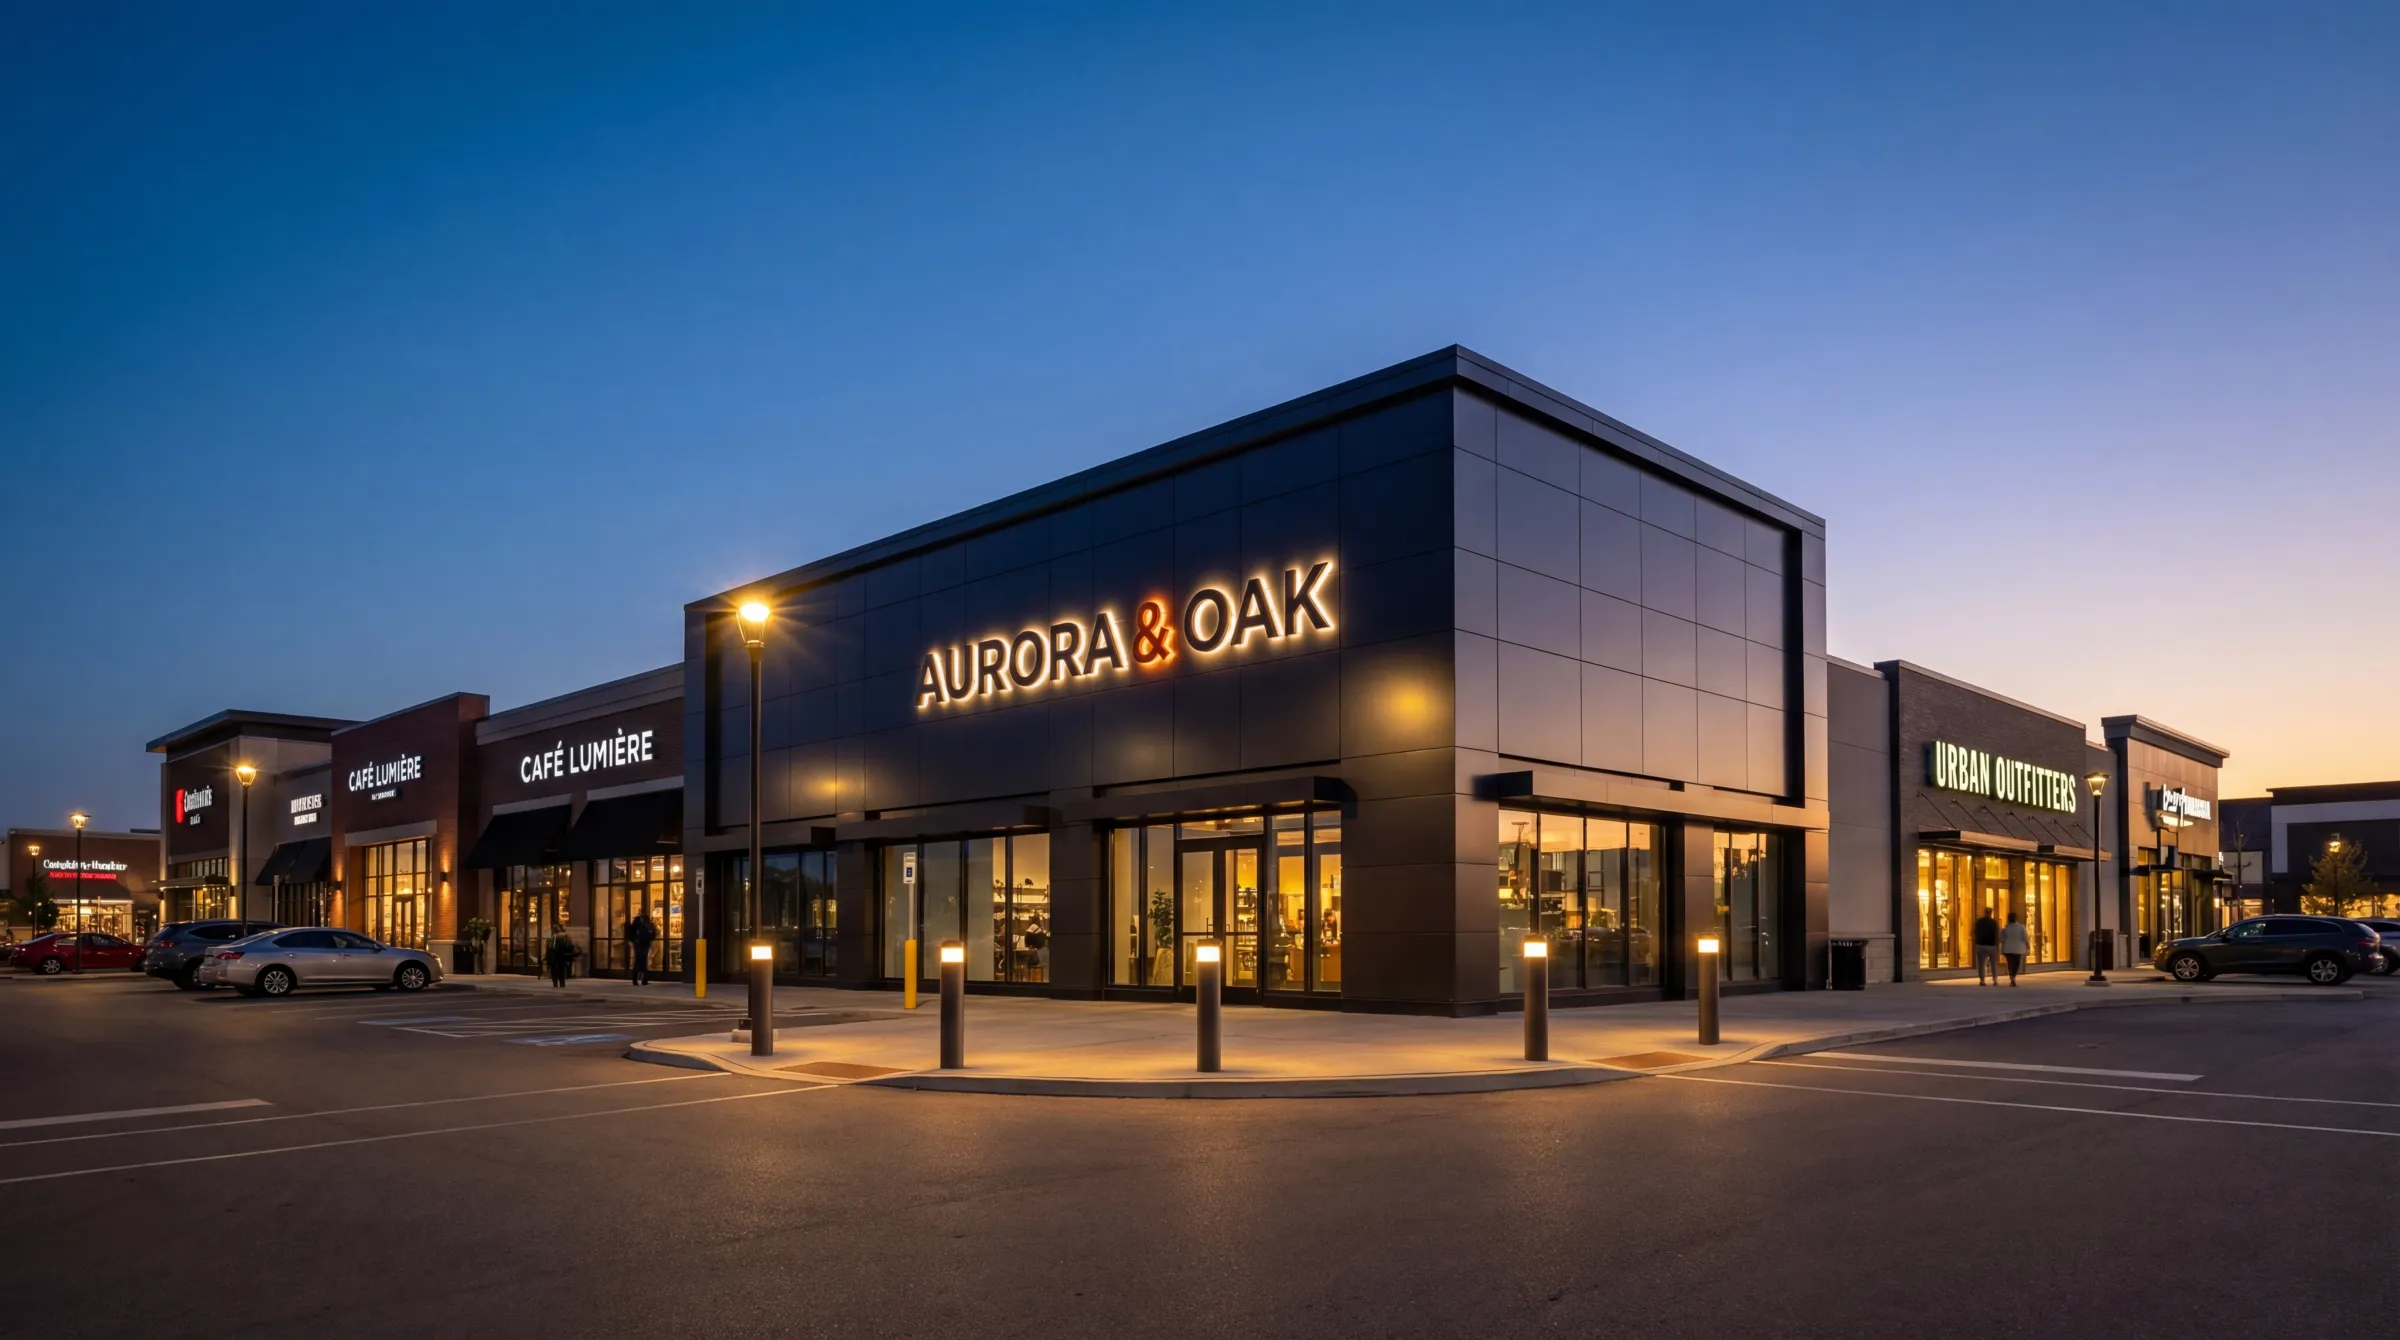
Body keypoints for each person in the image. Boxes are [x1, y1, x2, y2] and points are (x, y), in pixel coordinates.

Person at [626, 911, 658, 987]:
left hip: (638, 944)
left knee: (637, 961)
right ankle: (644, 980)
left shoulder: (636, 922)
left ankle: (635, 980)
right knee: (644, 961)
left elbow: (630, 933)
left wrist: (632, 941)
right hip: (645, 945)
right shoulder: (649, 923)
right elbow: (653, 935)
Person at [1971, 907, 2002, 985]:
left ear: (1984, 913)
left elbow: (1973, 933)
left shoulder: (1978, 922)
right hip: (1991, 946)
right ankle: (1995, 980)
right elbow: (1997, 934)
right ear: (1991, 913)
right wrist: (1997, 945)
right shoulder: (1994, 922)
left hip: (1980, 945)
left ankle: (1982, 980)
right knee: (1993, 963)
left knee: (1981, 964)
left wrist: (1974, 944)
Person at [2001, 912, 2031, 986]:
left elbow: (2002, 938)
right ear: (2016, 918)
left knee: (2010, 963)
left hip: (2008, 948)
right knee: (2016, 963)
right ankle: (2013, 977)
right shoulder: (2021, 927)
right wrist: (2028, 945)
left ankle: (2012, 976)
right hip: (2018, 949)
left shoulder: (2006, 927)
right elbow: (2025, 937)